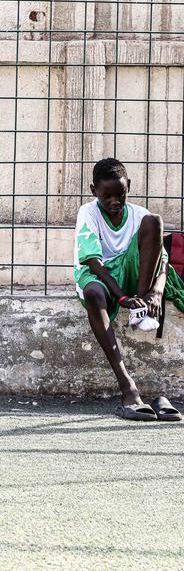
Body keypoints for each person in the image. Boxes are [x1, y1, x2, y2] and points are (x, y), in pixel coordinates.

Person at [74, 157, 184, 421]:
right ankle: (128, 387)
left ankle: (144, 308)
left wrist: (156, 292)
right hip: (100, 274)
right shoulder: (87, 212)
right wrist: (121, 297)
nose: (114, 201)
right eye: (106, 196)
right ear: (94, 191)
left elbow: (163, 263)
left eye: (120, 194)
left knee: (154, 221)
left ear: (129, 187)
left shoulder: (139, 214)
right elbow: (94, 263)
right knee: (93, 293)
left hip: (132, 276)